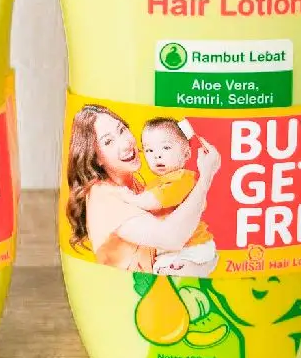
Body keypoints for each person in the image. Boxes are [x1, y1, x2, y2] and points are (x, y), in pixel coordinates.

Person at [65, 104, 220, 271]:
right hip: (123, 286)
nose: (125, 144)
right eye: (108, 141)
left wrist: (204, 260)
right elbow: (171, 238)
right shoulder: (103, 195)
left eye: (122, 130)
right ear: (96, 158)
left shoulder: (136, 184)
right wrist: (206, 176)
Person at [128, 117, 218, 277]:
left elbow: (154, 202)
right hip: (180, 248)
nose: (157, 156)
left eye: (166, 147)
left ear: (186, 154)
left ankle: (182, 267)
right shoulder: (157, 184)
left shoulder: (181, 179)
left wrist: (128, 198)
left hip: (193, 247)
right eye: (149, 150)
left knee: (163, 270)